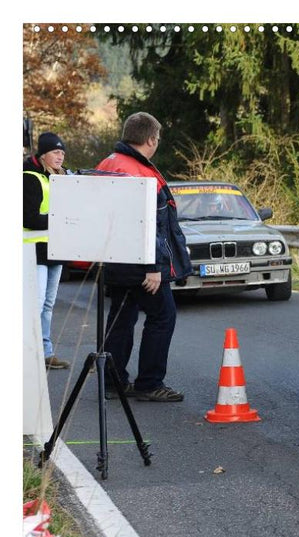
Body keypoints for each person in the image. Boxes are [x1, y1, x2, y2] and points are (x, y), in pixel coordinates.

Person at [96, 112, 191, 402]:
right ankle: (149, 383)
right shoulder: (139, 172)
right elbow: (149, 225)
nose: (157, 143)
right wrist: (154, 268)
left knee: (121, 319)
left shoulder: (107, 163)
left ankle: (114, 382)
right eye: (158, 138)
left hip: (113, 260)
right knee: (163, 316)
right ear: (150, 139)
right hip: (139, 263)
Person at [23, 132, 70, 370]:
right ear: (43, 154)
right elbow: (29, 218)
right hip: (35, 250)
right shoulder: (30, 177)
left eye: (62, 153)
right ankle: (30, 352)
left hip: (55, 249)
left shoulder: (61, 177)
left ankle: (46, 352)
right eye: (55, 152)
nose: (60, 157)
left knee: (48, 304)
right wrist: (60, 219)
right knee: (38, 302)